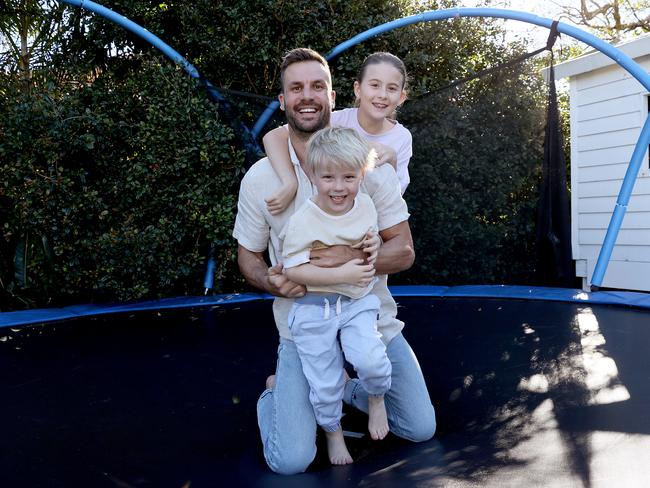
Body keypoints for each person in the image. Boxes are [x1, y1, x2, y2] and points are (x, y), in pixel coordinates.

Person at [232, 47, 435, 475]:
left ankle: (346, 388)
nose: (307, 96)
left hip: (369, 317)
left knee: (418, 427)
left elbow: (404, 250)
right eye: (296, 88)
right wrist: (272, 281)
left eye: (317, 86)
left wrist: (347, 260)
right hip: (306, 326)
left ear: (333, 94)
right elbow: (247, 257)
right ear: (284, 100)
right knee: (291, 461)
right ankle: (277, 395)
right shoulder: (261, 178)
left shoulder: (368, 166)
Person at [282, 126, 389, 465]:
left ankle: (375, 399)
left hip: (357, 303)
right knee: (325, 382)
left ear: (362, 174)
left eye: (349, 177)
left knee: (371, 359)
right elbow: (293, 270)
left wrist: (374, 244)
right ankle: (333, 432)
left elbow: (370, 239)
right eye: (328, 177)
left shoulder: (366, 204)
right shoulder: (304, 220)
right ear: (313, 175)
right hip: (316, 308)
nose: (339, 187)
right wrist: (340, 274)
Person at [264, 51, 412, 216]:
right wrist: (289, 181)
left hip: (370, 221)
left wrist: (392, 160)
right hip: (333, 210)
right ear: (358, 89)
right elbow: (274, 136)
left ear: (401, 97)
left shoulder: (402, 137)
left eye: (391, 88)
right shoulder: (337, 120)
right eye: (375, 85)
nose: (382, 95)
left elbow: (394, 197)